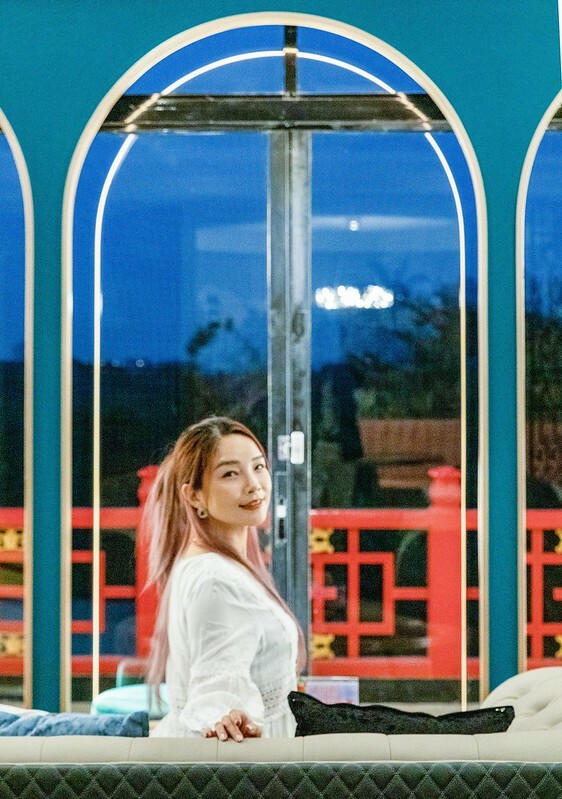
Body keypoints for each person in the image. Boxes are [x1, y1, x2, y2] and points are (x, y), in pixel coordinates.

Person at [145, 416, 305, 740]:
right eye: (230, 474)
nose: (253, 484)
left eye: (258, 467)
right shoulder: (216, 581)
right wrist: (224, 716)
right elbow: (217, 693)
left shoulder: (213, 564)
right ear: (194, 496)